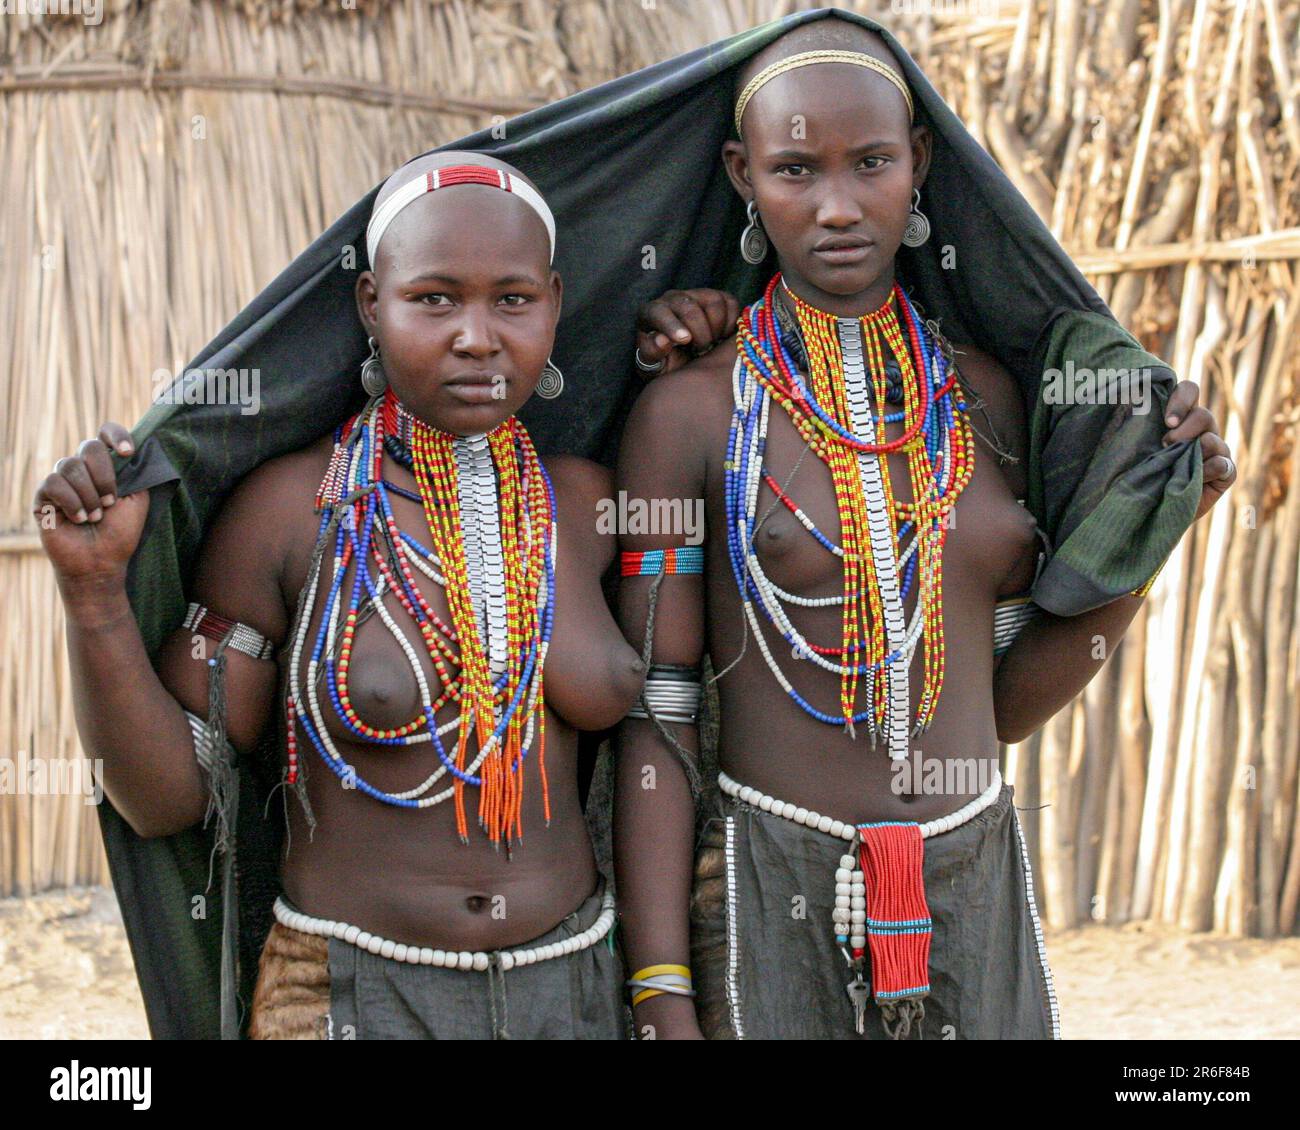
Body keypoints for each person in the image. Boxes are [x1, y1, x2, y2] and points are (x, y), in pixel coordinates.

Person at [612, 19, 1235, 1040]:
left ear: (921, 162)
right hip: (769, 888)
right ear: (740, 174)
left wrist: (1141, 543)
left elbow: (1002, 713)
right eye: (794, 169)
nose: (838, 205)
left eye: (871, 163)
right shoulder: (689, 414)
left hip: (970, 877)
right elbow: (657, 721)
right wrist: (661, 993)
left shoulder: (987, 405)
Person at [33, 152, 644, 1040]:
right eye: (434, 299)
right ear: (371, 306)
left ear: (554, 301)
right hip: (347, 999)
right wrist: (92, 597)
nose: (477, 336)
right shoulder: (291, 514)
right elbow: (168, 799)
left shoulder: (593, 504)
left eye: (512, 300)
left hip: (577, 991)